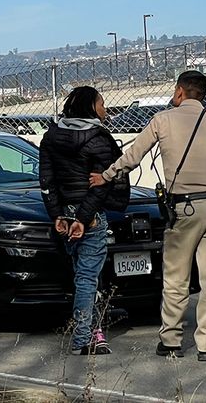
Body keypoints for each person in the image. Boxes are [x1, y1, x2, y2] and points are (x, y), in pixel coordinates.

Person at [90, 70, 206, 362]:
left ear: (179, 92)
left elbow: (133, 156)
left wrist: (106, 176)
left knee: (176, 278)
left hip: (182, 211)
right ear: (203, 94)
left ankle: (171, 340)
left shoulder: (162, 120)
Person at [39, 85, 120, 356]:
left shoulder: (51, 137)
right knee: (88, 278)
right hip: (90, 217)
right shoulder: (100, 138)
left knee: (83, 276)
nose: (105, 110)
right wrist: (84, 219)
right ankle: (82, 339)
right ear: (90, 107)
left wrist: (57, 216)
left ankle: (94, 332)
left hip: (65, 215)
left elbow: (47, 182)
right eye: (101, 104)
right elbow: (102, 185)